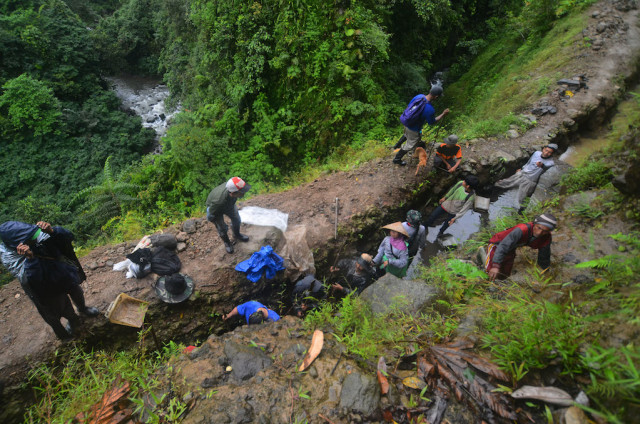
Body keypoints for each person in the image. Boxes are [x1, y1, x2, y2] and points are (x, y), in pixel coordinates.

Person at [0, 221, 99, 340]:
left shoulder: (35, 233)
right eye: (30, 239)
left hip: (60, 272)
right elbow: (30, 279)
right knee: (53, 311)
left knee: (76, 291)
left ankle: (83, 309)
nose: (35, 239)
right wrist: (30, 259)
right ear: (18, 244)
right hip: (44, 287)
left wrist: (53, 231)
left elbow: (68, 238)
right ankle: (65, 335)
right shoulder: (8, 256)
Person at [478, 214, 557, 281]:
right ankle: (482, 255)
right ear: (534, 224)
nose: (540, 233)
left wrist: (545, 271)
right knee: (491, 271)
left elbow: (544, 256)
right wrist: (495, 266)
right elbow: (503, 246)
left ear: (549, 231)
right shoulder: (521, 230)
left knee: (504, 274)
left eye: (545, 231)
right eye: (539, 228)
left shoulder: (546, 237)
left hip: (512, 247)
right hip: (498, 244)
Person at [393, 85, 450, 166]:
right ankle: (397, 159)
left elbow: (409, 106)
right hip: (414, 129)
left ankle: (397, 145)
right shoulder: (429, 109)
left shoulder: (419, 96)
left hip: (407, 121)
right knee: (410, 145)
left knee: (406, 134)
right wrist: (443, 114)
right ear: (436, 97)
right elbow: (432, 122)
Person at [494, 144, 558, 212]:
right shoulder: (536, 153)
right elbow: (529, 161)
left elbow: (545, 167)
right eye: (546, 150)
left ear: (552, 154)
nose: (546, 153)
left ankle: (516, 214)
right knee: (504, 183)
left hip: (530, 181)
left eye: (549, 152)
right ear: (543, 149)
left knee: (520, 199)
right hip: (522, 173)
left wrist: (541, 165)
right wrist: (521, 168)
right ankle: (492, 192)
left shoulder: (550, 163)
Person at [206, 176, 251, 254]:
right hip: (216, 209)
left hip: (229, 204)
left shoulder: (232, 187)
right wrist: (214, 220)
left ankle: (237, 235)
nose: (244, 193)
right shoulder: (218, 201)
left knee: (237, 219)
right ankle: (227, 242)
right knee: (222, 228)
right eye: (242, 192)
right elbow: (211, 213)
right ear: (233, 193)